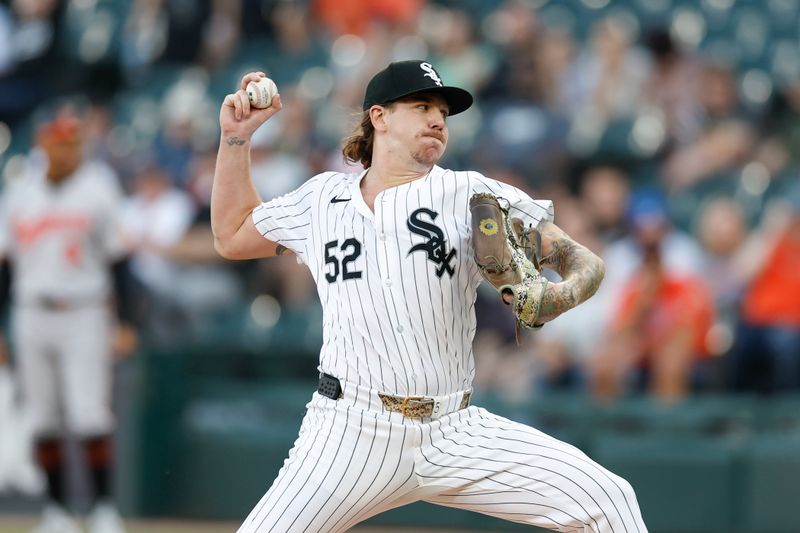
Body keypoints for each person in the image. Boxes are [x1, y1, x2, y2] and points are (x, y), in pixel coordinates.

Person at [212, 60, 648, 532]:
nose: (438, 119)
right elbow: (232, 235)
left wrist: (556, 296)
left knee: (608, 498)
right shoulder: (320, 201)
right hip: (350, 429)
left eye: (443, 110)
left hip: (453, 429)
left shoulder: (470, 194)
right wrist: (236, 138)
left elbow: (586, 262)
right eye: (422, 106)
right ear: (379, 117)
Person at [0, 109, 131, 533]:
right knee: (43, 418)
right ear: (43, 145)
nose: (65, 148)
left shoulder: (98, 188)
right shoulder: (21, 191)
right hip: (30, 311)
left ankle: (103, 509)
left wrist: (125, 320)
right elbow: (5, 267)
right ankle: (57, 510)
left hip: (84, 310)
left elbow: (118, 262)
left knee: (90, 413)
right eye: (58, 141)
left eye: (71, 141)